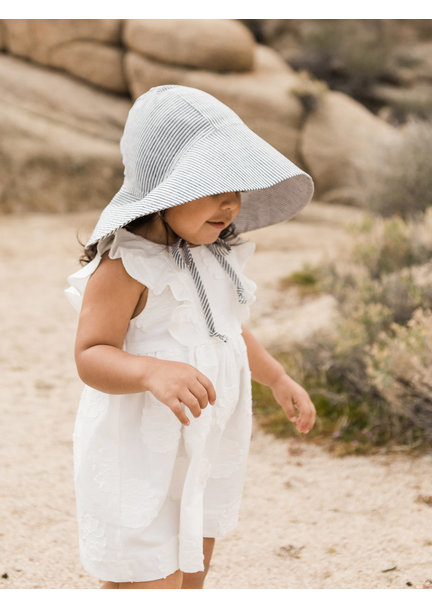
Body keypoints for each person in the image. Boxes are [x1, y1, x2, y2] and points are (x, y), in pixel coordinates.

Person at [65, 84, 316, 589]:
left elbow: (228, 331)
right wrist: (151, 370)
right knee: (145, 575)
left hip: (203, 445)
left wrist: (278, 377)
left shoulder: (214, 255)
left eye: (238, 186)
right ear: (165, 188)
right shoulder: (125, 266)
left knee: (192, 570)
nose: (231, 203)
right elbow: (91, 355)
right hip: (141, 451)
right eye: (212, 184)